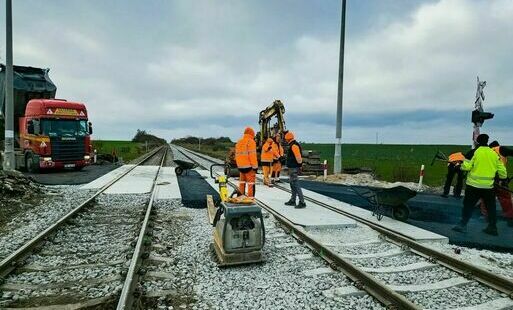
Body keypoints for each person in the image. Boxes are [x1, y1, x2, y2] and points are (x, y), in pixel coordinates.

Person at [453, 134, 508, 236]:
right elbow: (502, 170)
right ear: (487, 141)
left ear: (477, 142)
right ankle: (492, 228)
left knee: (468, 206)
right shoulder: (493, 154)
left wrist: (458, 167)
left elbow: (467, 166)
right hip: (488, 187)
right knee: (491, 208)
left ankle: (462, 226)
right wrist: (503, 179)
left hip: (473, 186)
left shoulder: (473, 152)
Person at [479, 141, 513, 227]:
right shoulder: (500, 149)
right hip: (500, 178)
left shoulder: (486, 152)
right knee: (505, 197)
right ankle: (510, 216)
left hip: (487, 178)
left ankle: (485, 216)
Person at [284, 131, 306, 208]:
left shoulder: (294, 146)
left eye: (286, 139)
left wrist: (300, 165)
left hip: (294, 168)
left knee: (295, 184)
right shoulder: (293, 145)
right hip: (292, 167)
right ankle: (293, 200)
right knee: (292, 184)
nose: (285, 140)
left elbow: (298, 157)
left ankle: (302, 202)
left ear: (287, 139)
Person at [235, 127, 258, 197]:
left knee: (242, 183)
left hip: (240, 167)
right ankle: (250, 200)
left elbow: (237, 155)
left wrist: (239, 165)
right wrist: (255, 167)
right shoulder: (251, 142)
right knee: (251, 184)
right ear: (252, 134)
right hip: (249, 168)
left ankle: (240, 198)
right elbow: (252, 156)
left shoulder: (239, 142)